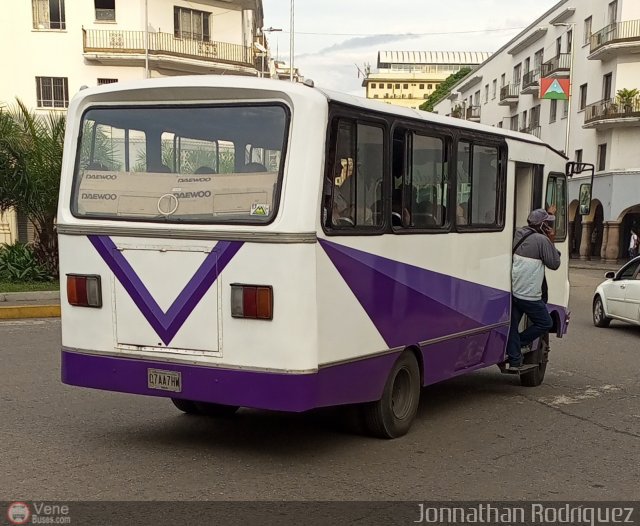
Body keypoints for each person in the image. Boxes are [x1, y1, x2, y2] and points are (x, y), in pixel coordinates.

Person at [506, 209, 561, 369]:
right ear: (543, 225)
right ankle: (518, 343)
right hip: (529, 295)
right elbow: (555, 263)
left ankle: (515, 360)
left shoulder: (518, 233)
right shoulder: (541, 240)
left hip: (514, 292)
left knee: (512, 326)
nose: (550, 226)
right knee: (545, 323)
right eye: (548, 223)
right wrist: (551, 240)